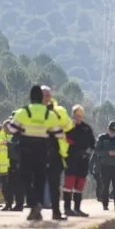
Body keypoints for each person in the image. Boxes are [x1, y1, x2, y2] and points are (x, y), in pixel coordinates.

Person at [5, 85, 65, 221]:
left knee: (25, 178)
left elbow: (12, 130)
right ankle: (36, 209)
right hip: (42, 151)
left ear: (31, 97)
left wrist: (6, 126)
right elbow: (59, 133)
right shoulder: (49, 114)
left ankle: (33, 204)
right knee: (40, 180)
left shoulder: (23, 112)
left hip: (26, 150)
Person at [41, 85, 73, 220]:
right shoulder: (32, 111)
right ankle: (36, 210)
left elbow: (69, 127)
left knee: (54, 184)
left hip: (56, 152)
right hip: (37, 152)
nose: (46, 97)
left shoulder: (59, 111)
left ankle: (56, 211)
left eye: (48, 94)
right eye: (43, 95)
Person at [63, 105, 95, 217]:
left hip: (83, 159)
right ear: (72, 115)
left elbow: (92, 144)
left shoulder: (87, 128)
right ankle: (67, 208)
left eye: (80, 116)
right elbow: (63, 139)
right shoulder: (67, 127)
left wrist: (87, 152)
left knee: (80, 184)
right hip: (70, 157)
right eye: (76, 115)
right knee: (69, 183)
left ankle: (77, 209)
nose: (78, 118)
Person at [91, 120, 115, 212]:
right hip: (105, 166)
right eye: (111, 131)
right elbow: (97, 150)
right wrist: (108, 153)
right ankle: (105, 205)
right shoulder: (102, 138)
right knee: (105, 186)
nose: (112, 133)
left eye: (114, 132)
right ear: (107, 129)